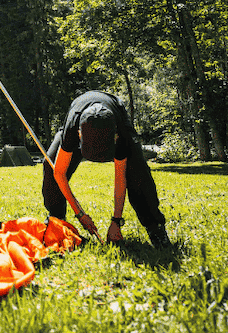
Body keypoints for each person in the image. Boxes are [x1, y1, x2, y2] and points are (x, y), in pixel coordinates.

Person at [42, 90, 171, 248]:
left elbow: (120, 178)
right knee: (50, 165)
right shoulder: (72, 128)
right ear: (79, 135)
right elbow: (59, 172)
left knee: (138, 172)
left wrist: (116, 221)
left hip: (117, 118)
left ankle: (155, 228)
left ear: (114, 137)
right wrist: (80, 214)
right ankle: (56, 221)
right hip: (79, 117)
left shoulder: (121, 133)